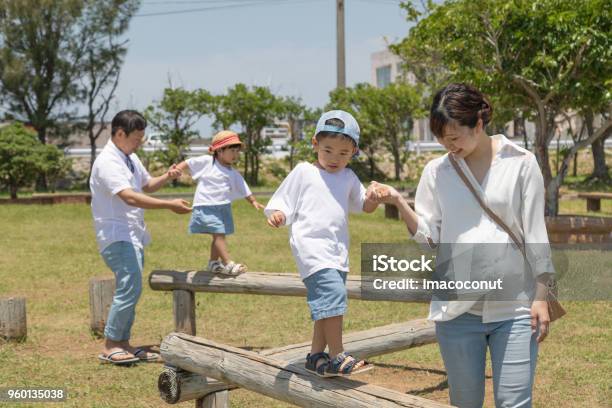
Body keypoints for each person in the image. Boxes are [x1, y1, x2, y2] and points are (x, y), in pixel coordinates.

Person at [370, 83, 555, 407]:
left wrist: (541, 297)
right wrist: (400, 202)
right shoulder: (436, 172)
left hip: (514, 307)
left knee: (514, 402)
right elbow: (430, 241)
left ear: (479, 124)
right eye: (442, 139)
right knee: (464, 402)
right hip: (456, 311)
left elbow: (536, 232)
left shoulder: (521, 163)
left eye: (454, 138)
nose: (448, 146)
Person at [265, 110, 379, 377]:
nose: (334, 159)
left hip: (337, 251)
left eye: (343, 153)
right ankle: (337, 355)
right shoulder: (304, 172)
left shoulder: (348, 177)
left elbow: (364, 205)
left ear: (354, 152)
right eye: (328, 150)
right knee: (333, 296)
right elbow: (283, 200)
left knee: (326, 303)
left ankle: (316, 356)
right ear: (315, 143)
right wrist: (279, 214)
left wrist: (374, 197)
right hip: (311, 249)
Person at [90, 110, 192, 365]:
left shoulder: (130, 157)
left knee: (132, 288)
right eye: (136, 138)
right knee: (129, 286)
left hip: (131, 232)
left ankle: (123, 342)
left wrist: (168, 177)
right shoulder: (107, 162)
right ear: (120, 133)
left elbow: (146, 186)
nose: (139, 143)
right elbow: (130, 197)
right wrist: (168, 205)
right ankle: (111, 344)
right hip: (116, 233)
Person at [175, 130, 264, 275]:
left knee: (219, 235)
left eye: (237, 151)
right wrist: (176, 170)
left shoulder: (232, 172)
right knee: (219, 234)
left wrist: (253, 201)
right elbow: (189, 162)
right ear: (219, 151)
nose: (235, 155)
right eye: (232, 151)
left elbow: (243, 187)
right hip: (206, 206)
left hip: (223, 207)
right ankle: (228, 263)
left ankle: (213, 263)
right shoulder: (208, 162)